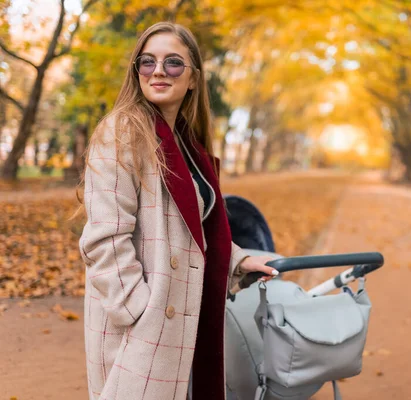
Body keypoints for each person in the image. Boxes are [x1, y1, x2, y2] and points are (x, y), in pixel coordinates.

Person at [78, 21, 278, 400]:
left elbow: (189, 228)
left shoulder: (189, 145)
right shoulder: (122, 131)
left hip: (184, 317)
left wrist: (236, 262)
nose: (158, 71)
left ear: (193, 79)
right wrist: (140, 313)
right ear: (136, 70)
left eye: (173, 63)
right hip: (144, 324)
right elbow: (105, 239)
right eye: (147, 61)